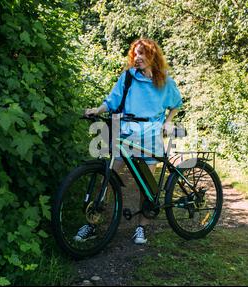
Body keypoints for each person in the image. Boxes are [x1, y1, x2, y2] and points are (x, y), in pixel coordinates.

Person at [76, 38, 183, 244]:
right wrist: (97, 110)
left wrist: (168, 122)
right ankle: (92, 224)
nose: (138, 58)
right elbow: (112, 100)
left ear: (152, 56)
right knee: (107, 179)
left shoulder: (164, 81)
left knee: (146, 187)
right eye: (135, 54)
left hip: (151, 135)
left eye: (142, 54)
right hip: (125, 132)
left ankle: (141, 227)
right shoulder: (127, 78)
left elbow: (176, 104)